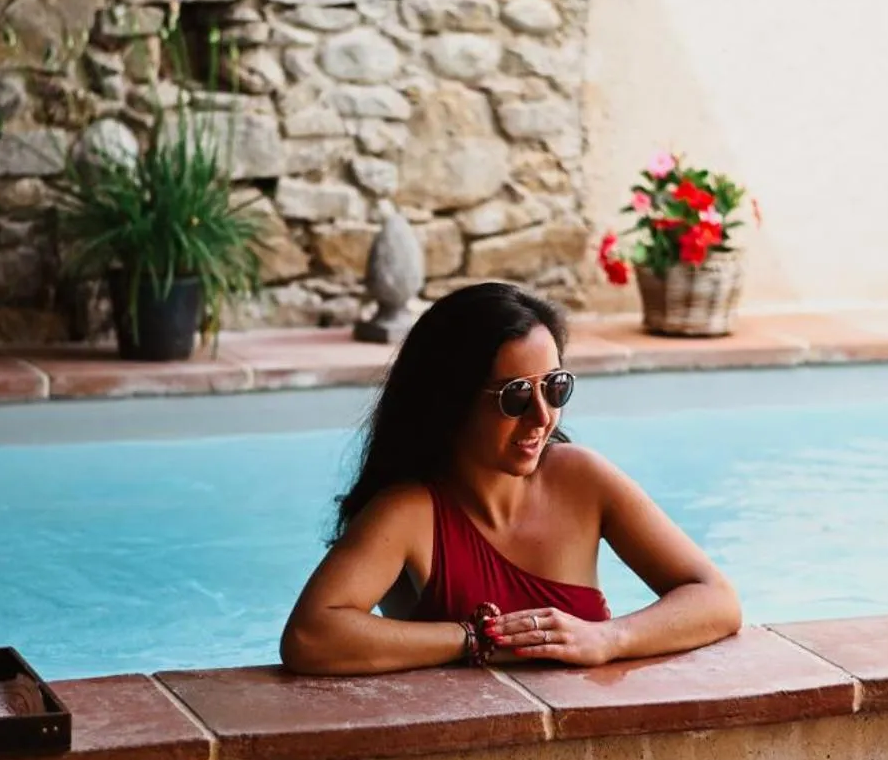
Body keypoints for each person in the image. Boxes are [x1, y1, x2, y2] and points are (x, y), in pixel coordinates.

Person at [281, 281, 742, 674]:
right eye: (515, 396)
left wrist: (608, 638)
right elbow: (310, 636)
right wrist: (475, 639)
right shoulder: (409, 513)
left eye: (555, 386)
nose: (542, 417)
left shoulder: (582, 479)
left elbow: (716, 599)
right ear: (452, 403)